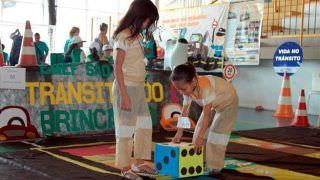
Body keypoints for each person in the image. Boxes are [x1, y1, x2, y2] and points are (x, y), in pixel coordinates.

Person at [112, 0, 159, 179]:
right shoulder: (124, 35)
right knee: (125, 130)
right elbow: (117, 67)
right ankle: (125, 168)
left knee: (144, 126)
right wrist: (124, 95)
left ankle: (138, 163)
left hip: (138, 88)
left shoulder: (136, 36)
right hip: (127, 88)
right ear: (139, 16)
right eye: (147, 20)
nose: (148, 24)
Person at [170, 63, 238, 176]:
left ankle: (215, 167)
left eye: (183, 89)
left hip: (228, 103)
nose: (181, 92)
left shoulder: (205, 87)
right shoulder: (187, 89)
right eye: (178, 89)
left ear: (193, 81)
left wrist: (201, 138)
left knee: (216, 136)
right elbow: (184, 112)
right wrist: (179, 132)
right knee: (197, 135)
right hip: (213, 104)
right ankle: (200, 161)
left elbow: (206, 115)